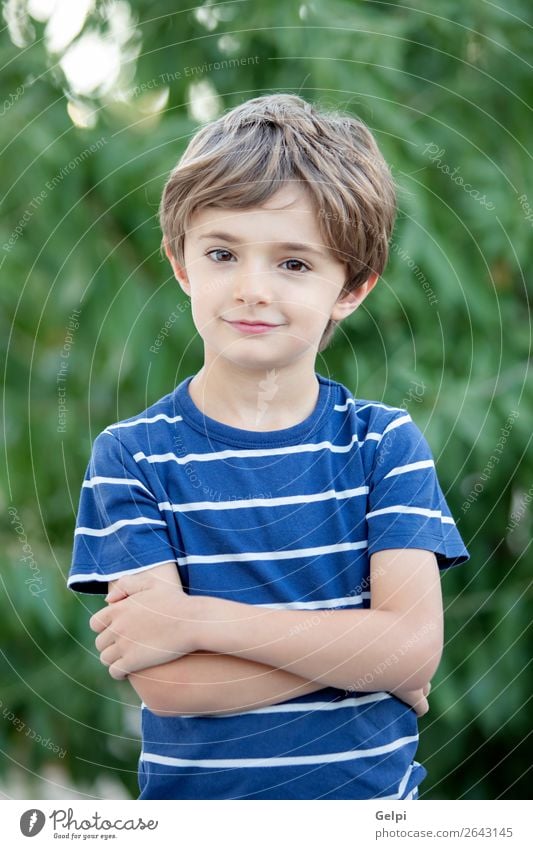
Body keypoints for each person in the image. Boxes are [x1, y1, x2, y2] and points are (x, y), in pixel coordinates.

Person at [67, 93, 469, 800]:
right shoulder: (132, 457)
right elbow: (172, 685)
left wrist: (197, 619)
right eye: (223, 252)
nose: (251, 289)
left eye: (293, 263)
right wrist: (369, 655)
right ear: (182, 263)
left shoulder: (383, 447)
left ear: (352, 287)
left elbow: (411, 648)